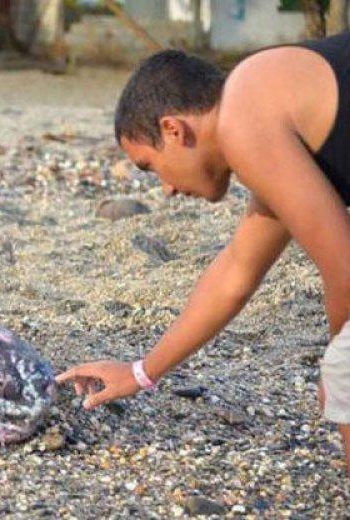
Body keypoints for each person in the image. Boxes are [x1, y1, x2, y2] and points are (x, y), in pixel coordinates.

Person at [56, 32, 350, 475]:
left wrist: (338, 363)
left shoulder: (244, 119)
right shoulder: (262, 105)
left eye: (150, 167)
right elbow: (237, 271)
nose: (167, 189)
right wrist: (140, 372)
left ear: (173, 130)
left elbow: (344, 269)